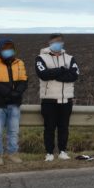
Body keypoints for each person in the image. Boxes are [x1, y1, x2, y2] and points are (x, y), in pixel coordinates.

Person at [35, 33, 80, 162]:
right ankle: (49, 153)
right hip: (49, 100)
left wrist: (54, 74)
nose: (57, 44)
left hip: (66, 100)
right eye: (54, 42)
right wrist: (62, 69)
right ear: (49, 44)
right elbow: (43, 74)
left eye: (59, 42)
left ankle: (62, 151)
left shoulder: (70, 58)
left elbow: (74, 75)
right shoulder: (40, 58)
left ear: (63, 43)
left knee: (63, 128)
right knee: (49, 128)